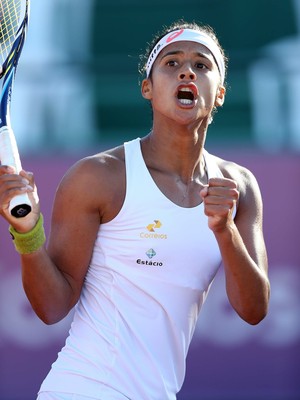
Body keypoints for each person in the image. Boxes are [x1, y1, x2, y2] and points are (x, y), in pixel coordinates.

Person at [0, 20, 270, 400]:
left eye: (202, 65)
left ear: (220, 93)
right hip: (83, 388)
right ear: (148, 88)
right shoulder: (97, 176)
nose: (187, 71)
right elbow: (51, 307)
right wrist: (28, 233)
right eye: (171, 63)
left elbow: (254, 309)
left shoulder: (239, 185)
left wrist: (225, 230)